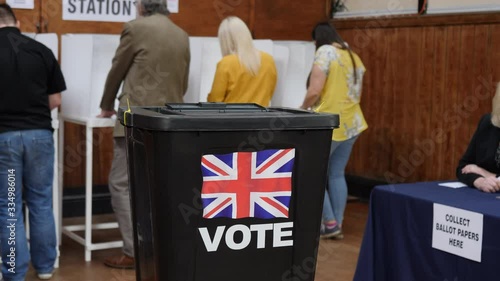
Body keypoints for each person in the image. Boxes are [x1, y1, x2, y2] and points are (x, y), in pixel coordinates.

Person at [98, 0, 190, 269]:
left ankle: (133, 250)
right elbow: (182, 82)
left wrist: (105, 105)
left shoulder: (135, 28)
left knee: (121, 183)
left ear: (142, 7)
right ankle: (157, 247)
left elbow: (117, 70)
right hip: (168, 120)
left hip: (134, 117)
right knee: (156, 184)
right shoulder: (181, 34)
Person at [0, 4, 66, 280]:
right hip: (39, 136)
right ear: (16, 21)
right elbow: (56, 100)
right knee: (40, 201)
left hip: (5, 140)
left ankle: (14, 270)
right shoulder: (41, 50)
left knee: (10, 205)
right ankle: (45, 267)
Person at [300, 22, 368, 239]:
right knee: (336, 174)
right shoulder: (352, 55)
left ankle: (328, 222)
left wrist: (301, 110)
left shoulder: (325, 52)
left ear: (318, 39)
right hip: (352, 123)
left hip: (328, 122)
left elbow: (314, 90)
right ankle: (336, 224)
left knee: (313, 172)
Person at [207, 16, 277, 107]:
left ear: (225, 41)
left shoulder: (226, 63)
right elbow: (269, 93)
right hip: (261, 119)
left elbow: (215, 101)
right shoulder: (269, 60)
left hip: (231, 119)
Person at [456, 83, 500, 193]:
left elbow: (474, 168)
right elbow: (463, 167)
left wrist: (483, 172)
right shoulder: (487, 123)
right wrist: (479, 181)